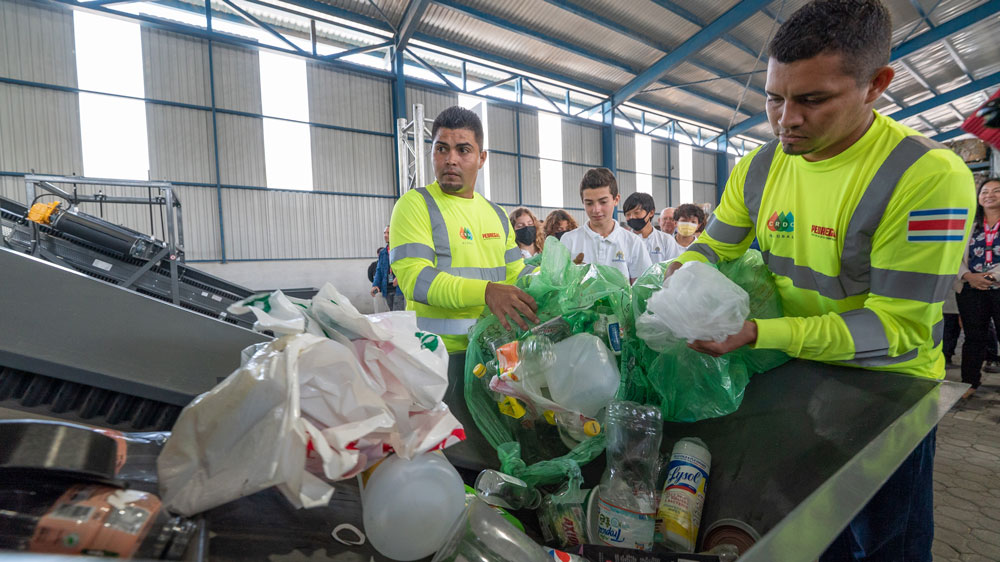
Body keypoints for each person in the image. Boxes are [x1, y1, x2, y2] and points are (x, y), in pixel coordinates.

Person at [664, 2, 975, 560]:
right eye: (774, 97)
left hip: (887, 391)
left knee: (885, 545)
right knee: (805, 535)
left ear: (876, 85)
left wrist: (762, 333)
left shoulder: (926, 176)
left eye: (812, 100)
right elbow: (715, 244)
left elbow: (896, 326)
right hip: (796, 377)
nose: (787, 120)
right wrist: (686, 270)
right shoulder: (760, 167)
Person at [389, 106, 539, 353]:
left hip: (494, 353)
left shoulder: (497, 214)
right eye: (441, 149)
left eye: (463, 150)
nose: (451, 159)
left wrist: (553, 279)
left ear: (482, 158)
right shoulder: (415, 204)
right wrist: (486, 292)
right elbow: (416, 280)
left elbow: (515, 276)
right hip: (435, 357)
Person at [560, 168, 652, 284]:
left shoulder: (633, 243)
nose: (596, 210)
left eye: (603, 202)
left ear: (616, 199)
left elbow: (642, 288)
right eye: (589, 203)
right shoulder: (569, 240)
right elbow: (558, 285)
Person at [956, 177, 1000, 399]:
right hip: (971, 288)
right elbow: (952, 253)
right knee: (974, 337)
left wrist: (991, 276)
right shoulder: (968, 224)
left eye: (996, 191)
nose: (989, 195)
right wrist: (967, 276)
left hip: (998, 285)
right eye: (985, 191)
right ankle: (969, 383)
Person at [622, 192, 683, 263]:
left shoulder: (666, 241)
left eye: (637, 213)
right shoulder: (622, 240)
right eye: (628, 214)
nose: (632, 217)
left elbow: (673, 269)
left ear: (651, 212)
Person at [371, 225, 405, 311]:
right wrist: (375, 285)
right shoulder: (383, 253)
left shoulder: (401, 250)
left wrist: (400, 278)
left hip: (399, 289)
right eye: (384, 233)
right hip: (387, 289)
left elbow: (407, 267)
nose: (385, 235)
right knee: (392, 313)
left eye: (388, 233)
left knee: (398, 315)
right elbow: (378, 270)